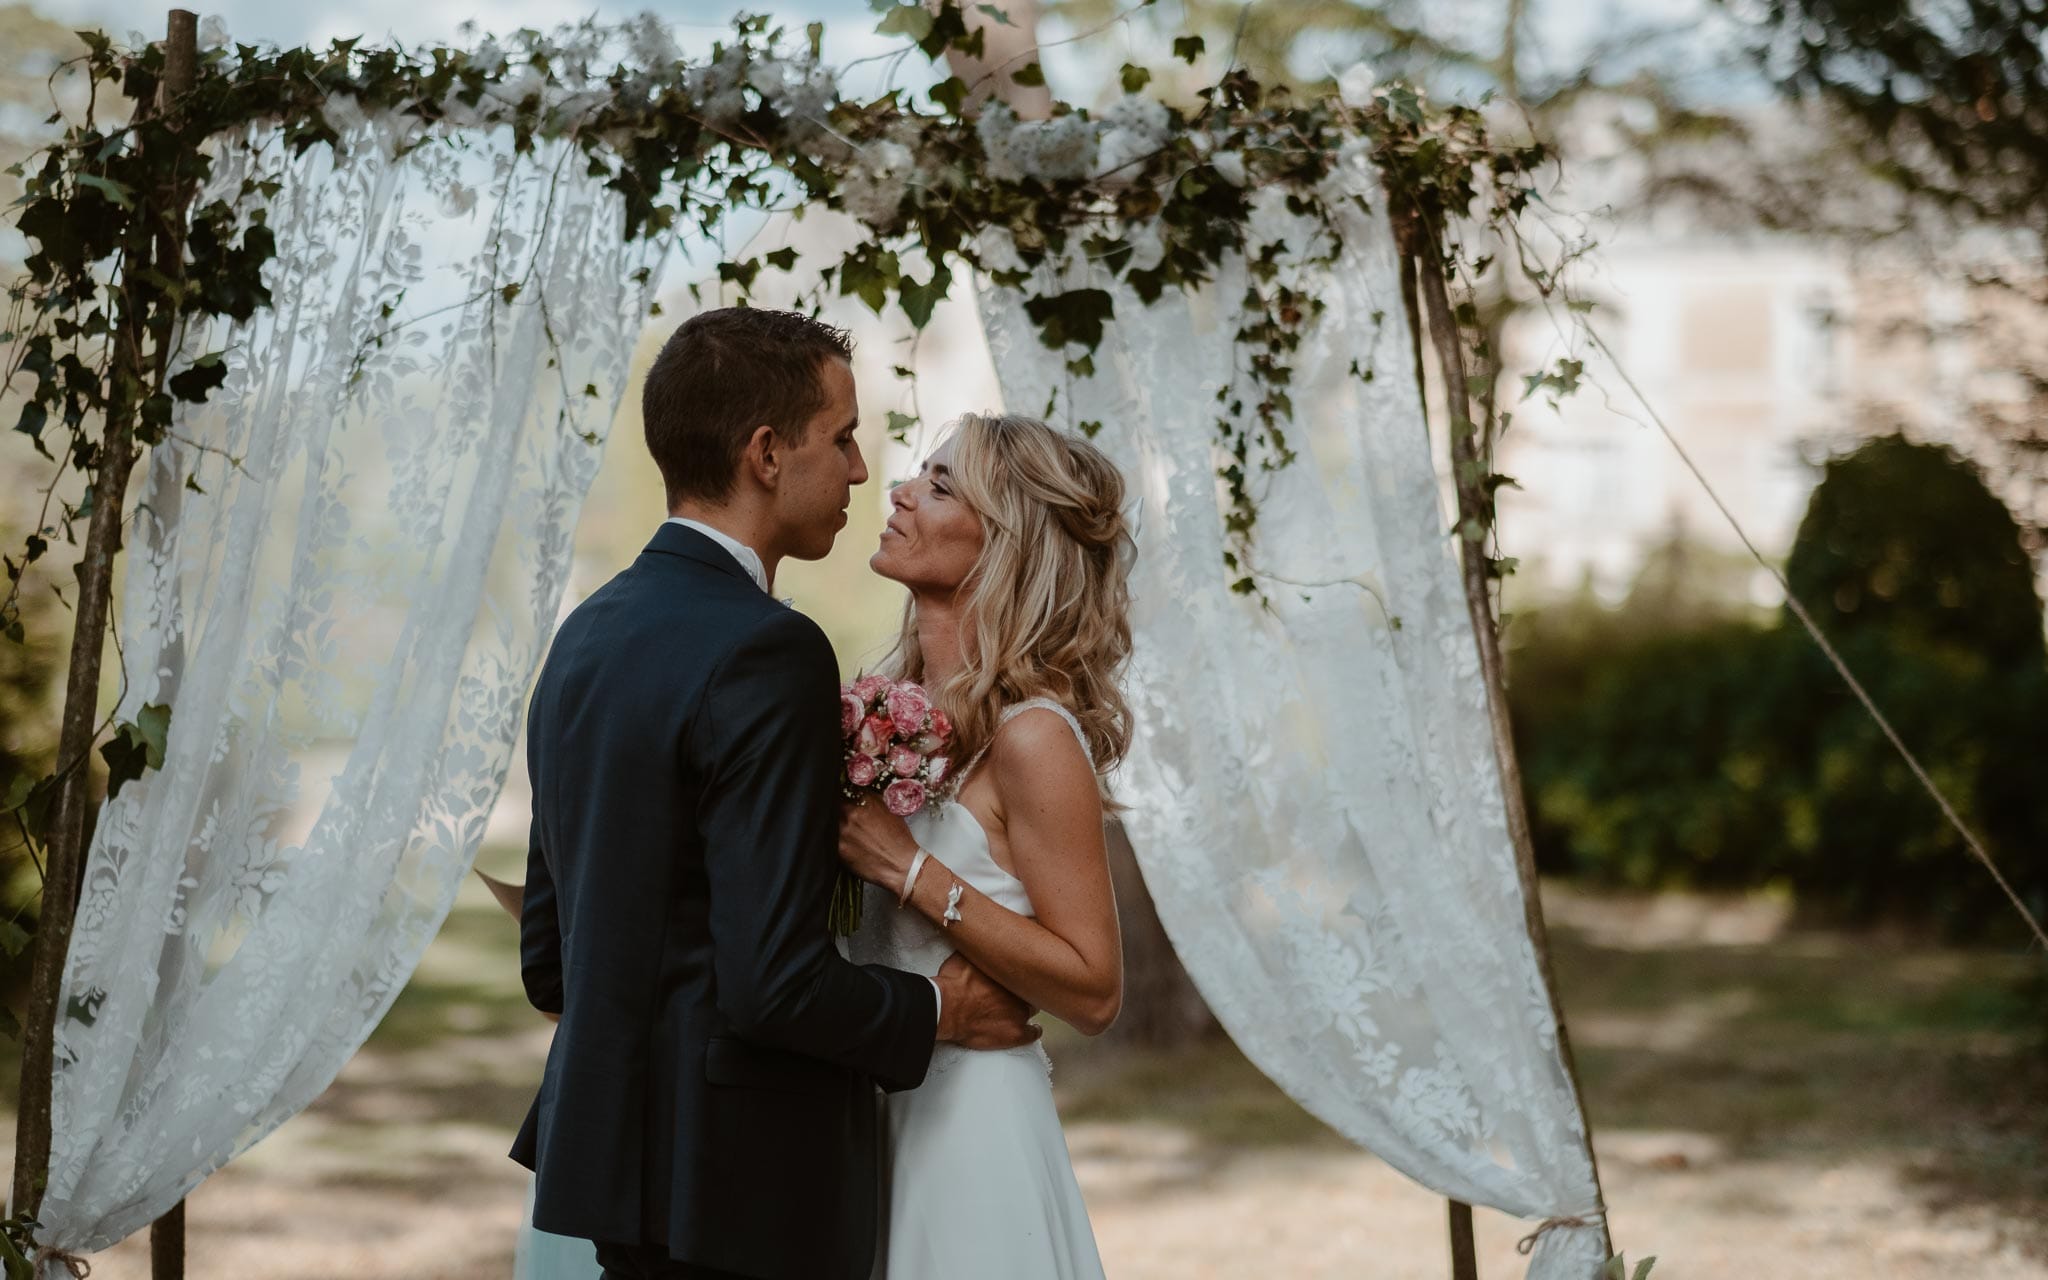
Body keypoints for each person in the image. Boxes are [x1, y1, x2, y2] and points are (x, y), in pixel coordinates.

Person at [512, 309, 1040, 1280]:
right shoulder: (768, 648)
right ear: (765, 452)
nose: (854, 470)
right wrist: (940, 1011)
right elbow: (771, 983)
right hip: (748, 1188)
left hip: (618, 1179)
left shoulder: (585, 635)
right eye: (840, 436)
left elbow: (551, 961)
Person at [841, 413, 1135, 1280]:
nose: (898, 493)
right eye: (916, 477)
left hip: (969, 1128)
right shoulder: (881, 707)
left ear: (1006, 545)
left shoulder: (1033, 736)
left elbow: (1095, 988)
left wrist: (908, 868)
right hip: (867, 1116)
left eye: (938, 486)